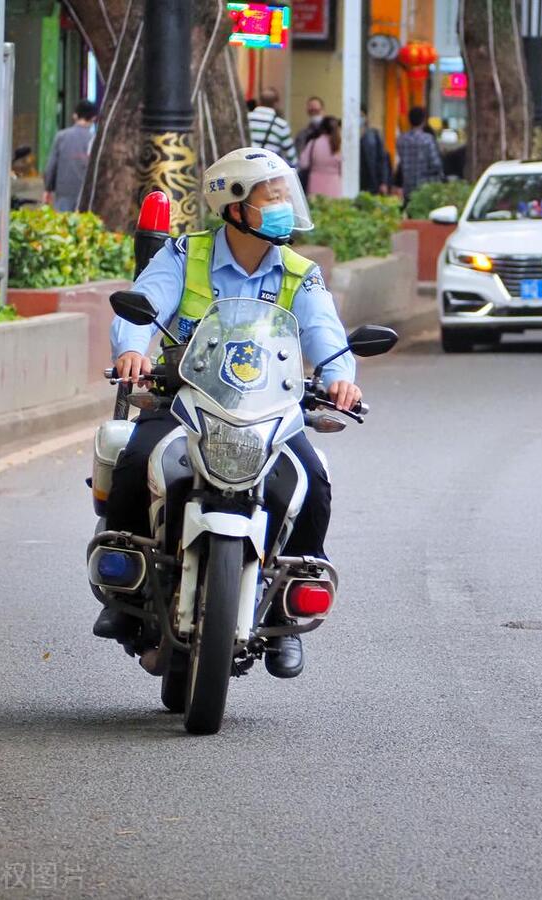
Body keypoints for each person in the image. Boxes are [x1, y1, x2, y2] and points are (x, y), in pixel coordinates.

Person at [96, 147, 361, 679]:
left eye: (285, 194)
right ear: (235, 205)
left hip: (269, 412)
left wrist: (339, 377)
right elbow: (143, 304)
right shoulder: (184, 254)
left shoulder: (300, 272)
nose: (284, 205)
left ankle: (286, 607)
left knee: (311, 478)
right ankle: (124, 584)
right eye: (272, 196)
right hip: (184, 402)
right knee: (136, 458)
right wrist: (132, 352)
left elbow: (324, 333)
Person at [42, 100, 98, 212]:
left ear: (75, 116)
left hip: (64, 192)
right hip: (88, 195)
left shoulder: (61, 137)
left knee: (63, 221)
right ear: (94, 118)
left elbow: (51, 166)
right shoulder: (95, 140)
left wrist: (48, 189)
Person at [396, 106, 443, 201]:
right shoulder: (427, 139)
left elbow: (401, 162)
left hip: (408, 186)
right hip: (424, 186)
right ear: (423, 121)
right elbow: (436, 164)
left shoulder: (401, 140)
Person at [248, 87, 298, 167]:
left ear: (259, 101)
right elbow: (291, 156)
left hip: (246, 166)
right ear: (276, 103)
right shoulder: (281, 125)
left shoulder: (246, 119)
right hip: (268, 168)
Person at [299, 115, 343, 198]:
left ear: (322, 128)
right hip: (335, 185)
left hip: (315, 184)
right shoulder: (339, 145)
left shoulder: (313, 143)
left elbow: (303, 163)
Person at [358, 107, 393, 195]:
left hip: (373, 182)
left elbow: (382, 159)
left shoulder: (373, 135)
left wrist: (383, 182)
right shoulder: (346, 135)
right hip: (356, 181)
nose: (359, 118)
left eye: (361, 116)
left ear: (366, 117)